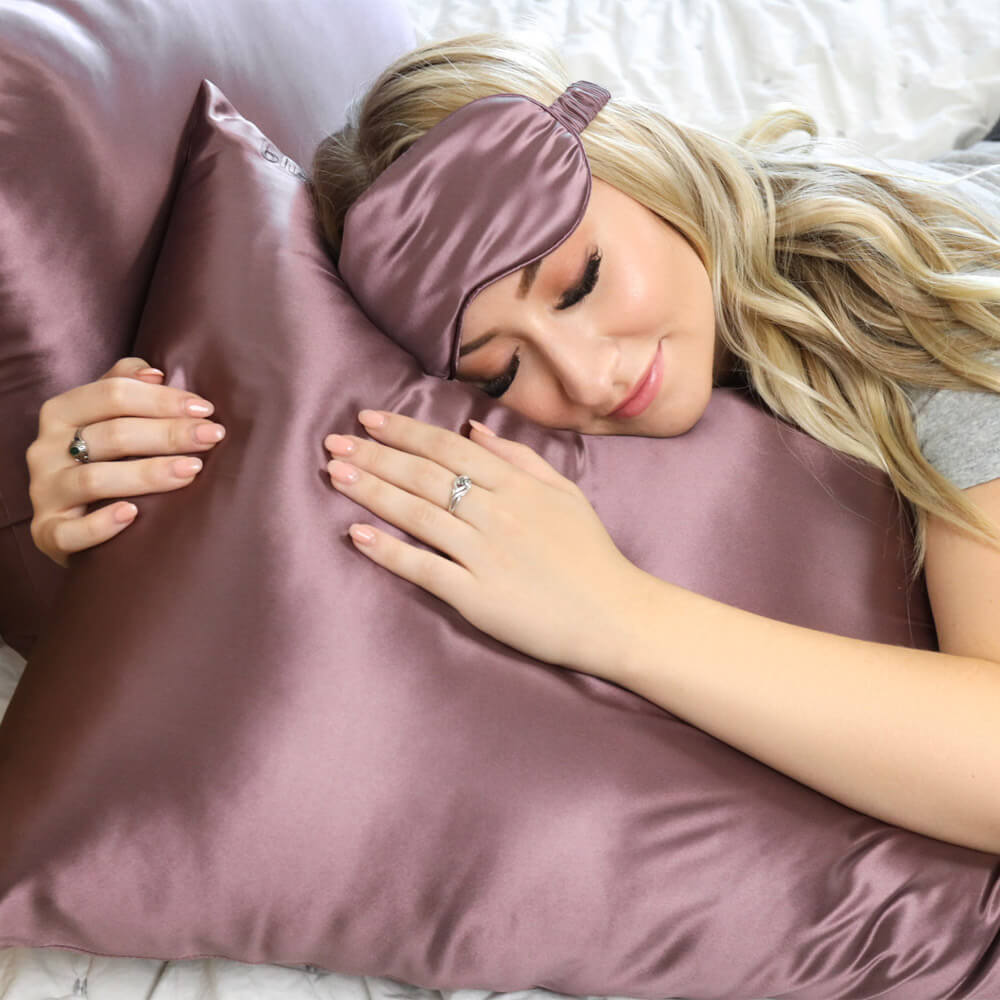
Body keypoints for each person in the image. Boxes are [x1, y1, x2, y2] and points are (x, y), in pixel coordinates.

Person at [24, 32, 1000, 853]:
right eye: (496, 372)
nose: (581, 377)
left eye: (577, 283)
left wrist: (618, 616)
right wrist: (132, 491)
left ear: (635, 159)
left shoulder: (920, 320)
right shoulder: (723, 290)